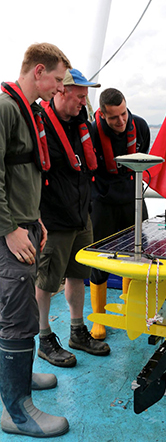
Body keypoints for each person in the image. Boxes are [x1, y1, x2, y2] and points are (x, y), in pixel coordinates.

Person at [0, 42, 71, 437]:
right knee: (16, 317)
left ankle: (19, 381)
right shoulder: (6, 108)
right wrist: (10, 230)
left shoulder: (27, 111)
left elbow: (22, 175)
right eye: (58, 80)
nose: (59, 88)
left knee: (22, 310)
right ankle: (16, 411)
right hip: (8, 231)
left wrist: (35, 219)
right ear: (38, 70)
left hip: (25, 223)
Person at [35, 69, 111, 368]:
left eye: (85, 96)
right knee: (46, 281)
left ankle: (77, 331)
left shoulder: (81, 124)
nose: (84, 101)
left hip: (81, 216)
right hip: (52, 221)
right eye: (80, 96)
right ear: (60, 91)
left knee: (77, 275)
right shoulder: (40, 124)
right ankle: (44, 338)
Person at [90, 88, 150, 339]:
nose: (121, 121)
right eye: (114, 117)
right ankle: (98, 319)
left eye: (124, 113)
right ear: (102, 115)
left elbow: (143, 158)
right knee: (99, 261)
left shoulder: (141, 126)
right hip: (102, 201)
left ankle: (129, 309)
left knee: (136, 256)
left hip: (132, 198)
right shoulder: (91, 132)